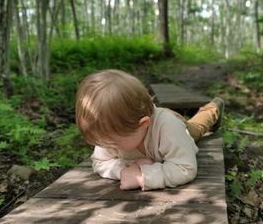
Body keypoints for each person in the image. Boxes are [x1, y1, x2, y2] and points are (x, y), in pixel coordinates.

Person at [75, 69, 224, 191]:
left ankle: (213, 108)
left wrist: (143, 176)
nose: (107, 147)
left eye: (113, 144)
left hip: (176, 124)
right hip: (153, 119)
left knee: (197, 127)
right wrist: (125, 169)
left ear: (143, 124)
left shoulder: (170, 129)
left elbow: (185, 168)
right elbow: (100, 162)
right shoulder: (110, 132)